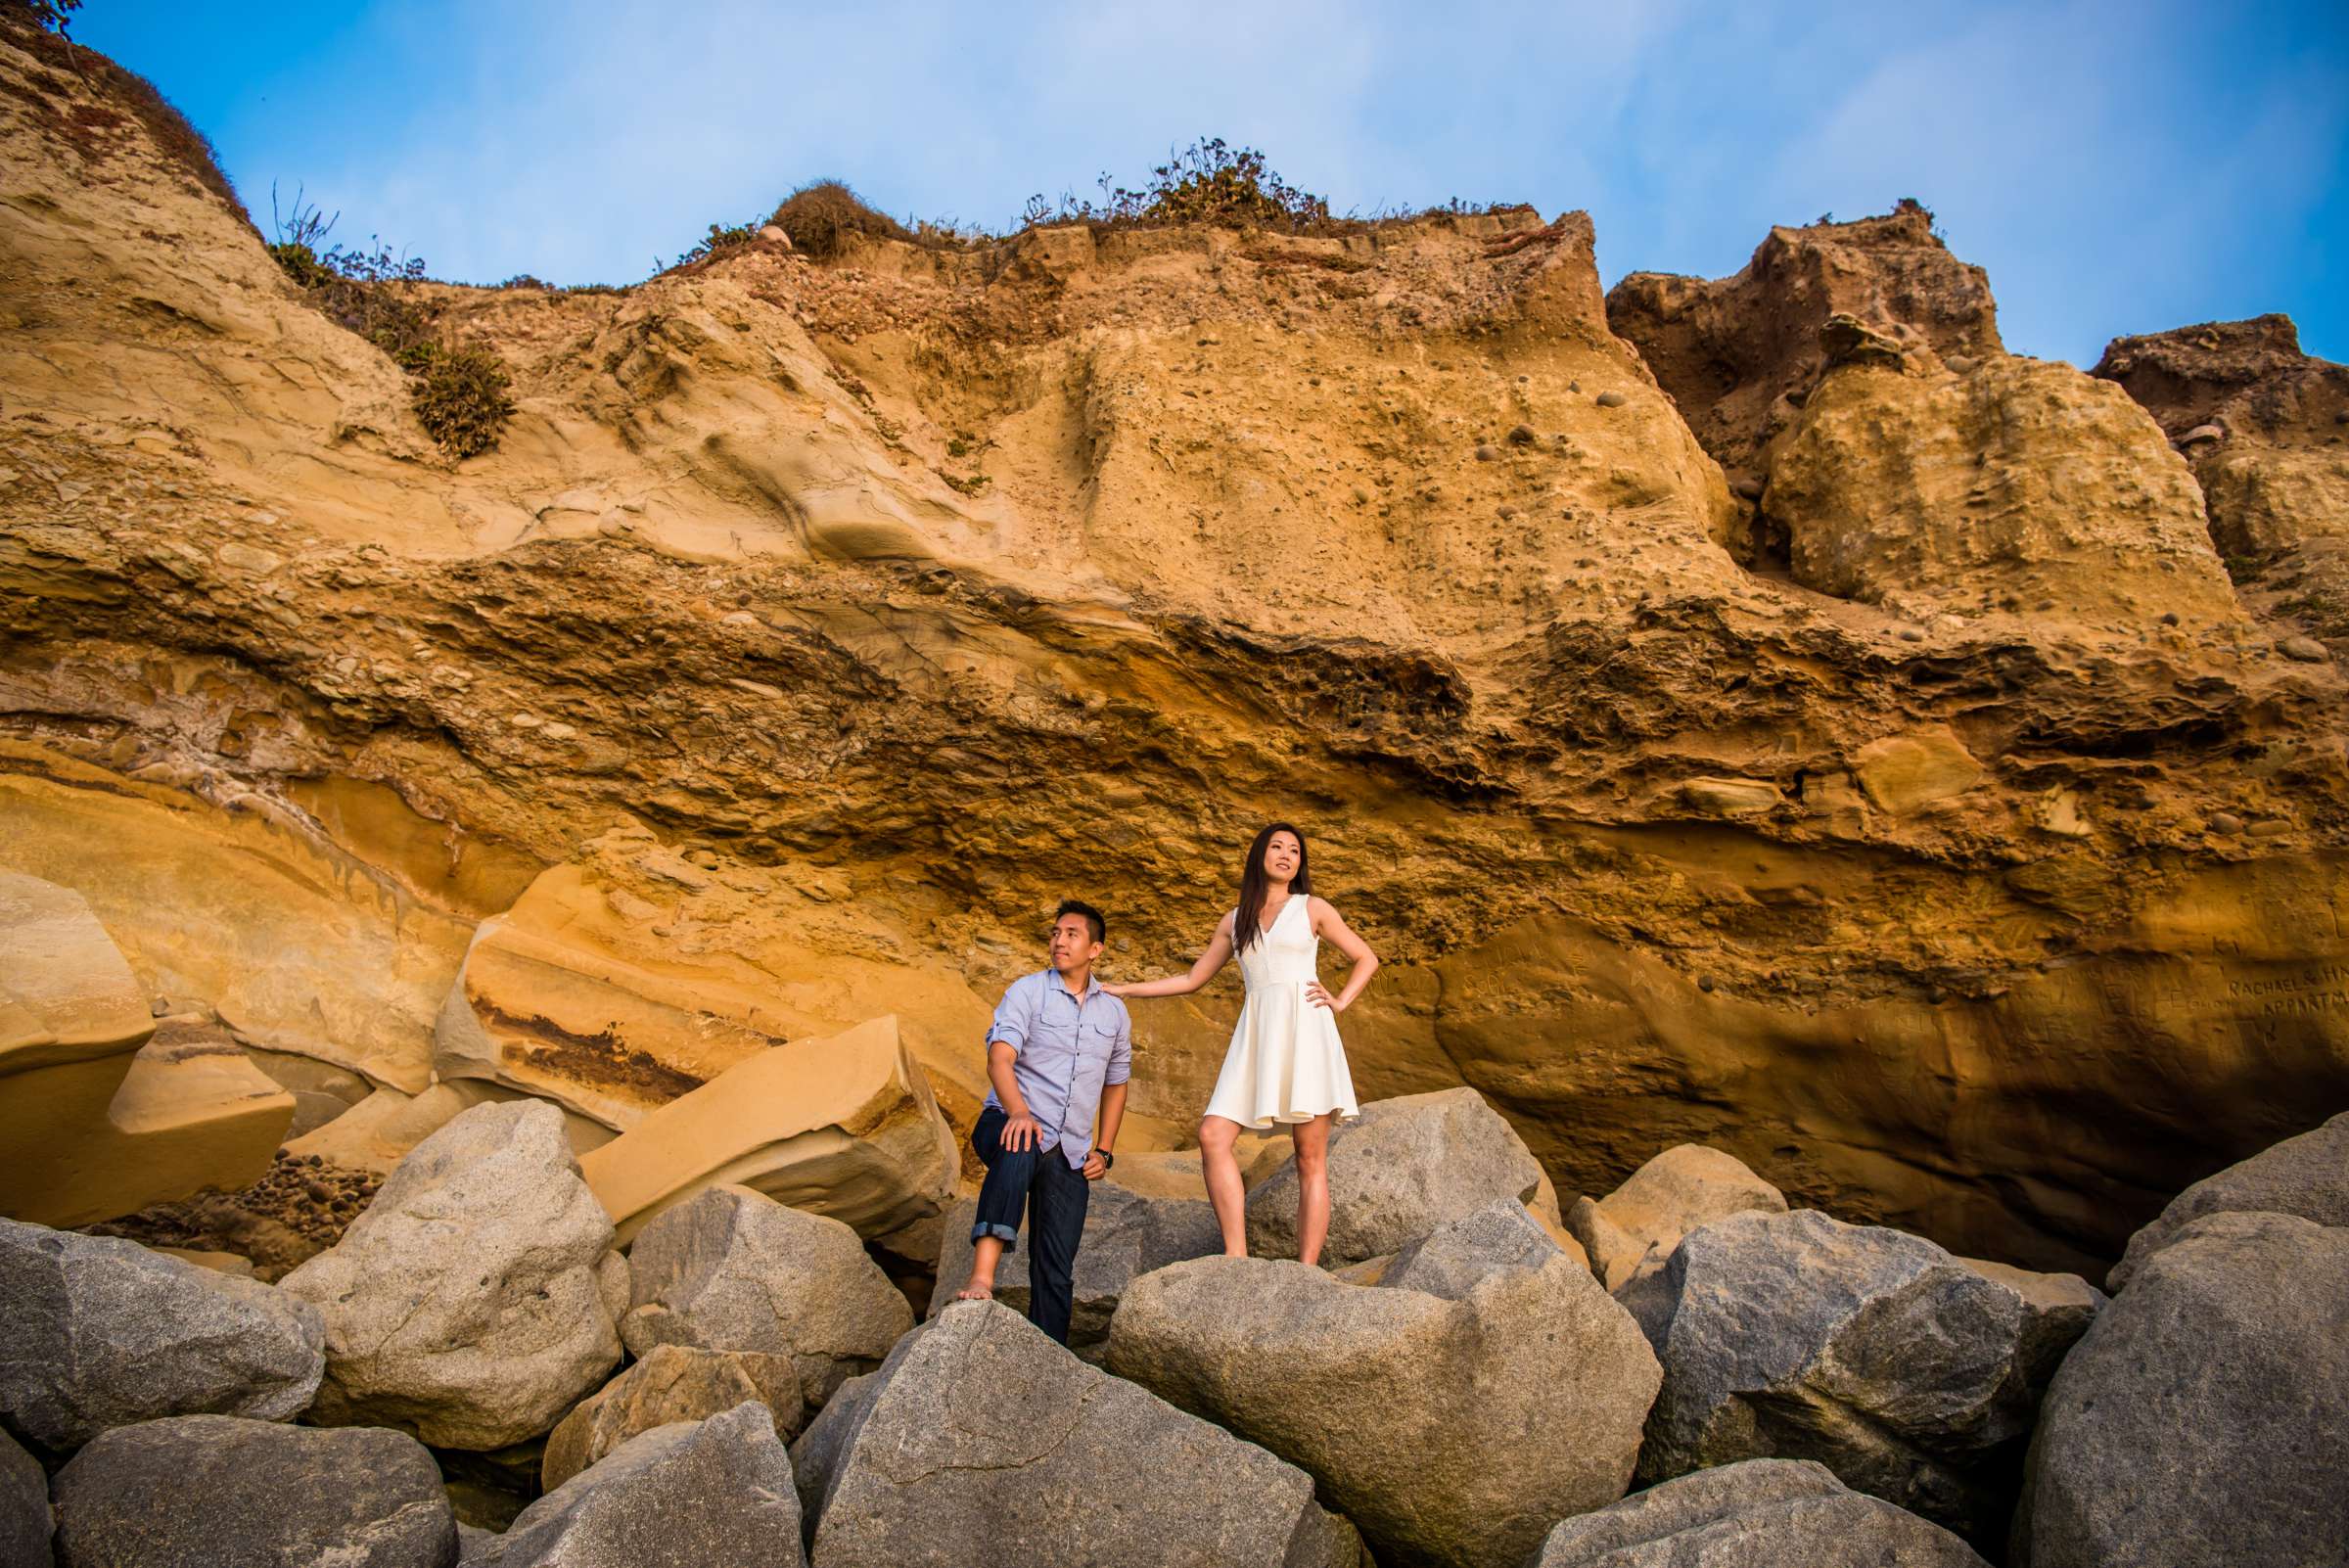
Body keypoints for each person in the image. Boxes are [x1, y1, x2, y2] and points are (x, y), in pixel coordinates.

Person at [1105, 823, 1377, 1266]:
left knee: (1309, 1156)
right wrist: (1126, 989)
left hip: (1306, 1030)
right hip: (1255, 1034)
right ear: (1260, 855)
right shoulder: (1234, 921)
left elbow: (1366, 957)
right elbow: (1193, 979)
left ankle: (1305, 1269)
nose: (1287, 855)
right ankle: (1236, 1256)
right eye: (1277, 847)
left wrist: (1340, 1000)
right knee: (1213, 1134)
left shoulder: (1313, 908)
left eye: (1295, 850)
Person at [948, 899, 1129, 1344]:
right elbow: (999, 1058)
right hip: (1006, 1121)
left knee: (1057, 1263)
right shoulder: (1027, 991)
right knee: (1020, 1143)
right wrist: (1020, 1112)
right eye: (1054, 933)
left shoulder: (1114, 1013)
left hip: (1068, 1149)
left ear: (1095, 950)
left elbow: (1116, 1082)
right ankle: (982, 1279)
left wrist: (1103, 1149)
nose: (1059, 941)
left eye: (1071, 934)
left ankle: (1049, 1354)